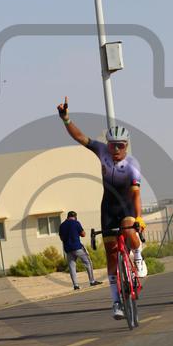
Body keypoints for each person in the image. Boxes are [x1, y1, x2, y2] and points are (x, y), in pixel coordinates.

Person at [57, 96, 147, 320]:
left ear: (126, 146)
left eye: (120, 145)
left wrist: (139, 218)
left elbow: (136, 194)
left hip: (127, 207)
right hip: (107, 209)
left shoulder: (132, 165)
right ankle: (116, 301)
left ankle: (137, 255)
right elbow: (80, 137)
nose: (115, 149)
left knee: (129, 229)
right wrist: (66, 119)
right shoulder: (102, 151)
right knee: (111, 255)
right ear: (107, 144)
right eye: (112, 144)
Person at [58, 211, 102, 291]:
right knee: (88, 263)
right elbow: (83, 234)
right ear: (75, 217)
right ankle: (92, 281)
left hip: (68, 249)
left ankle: (76, 285)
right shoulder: (76, 223)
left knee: (72, 267)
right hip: (78, 247)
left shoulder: (62, 225)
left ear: (67, 217)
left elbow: (61, 238)